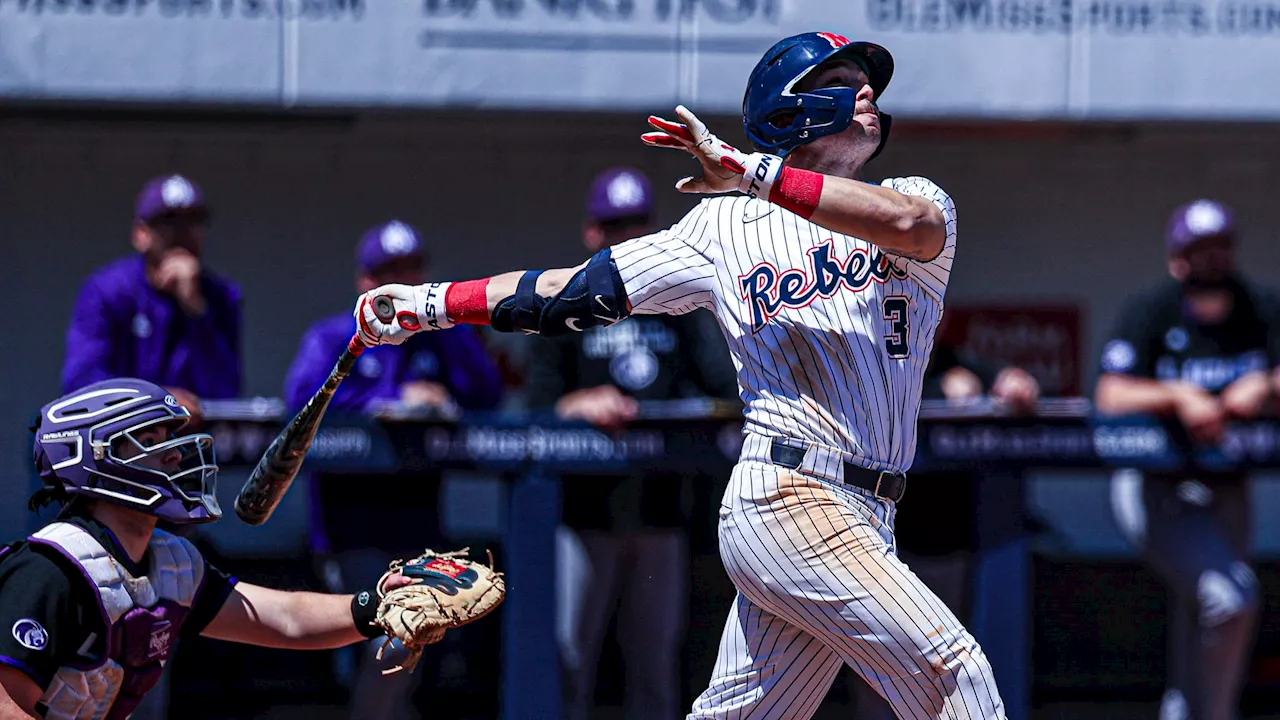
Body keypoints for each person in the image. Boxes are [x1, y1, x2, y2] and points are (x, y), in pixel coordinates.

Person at [353, 29, 1006, 719]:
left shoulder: (912, 196)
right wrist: (431, 304)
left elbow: (912, 223)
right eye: (841, 79)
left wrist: (751, 171)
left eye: (867, 81)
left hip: (870, 510)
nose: (867, 91)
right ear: (791, 107)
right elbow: (570, 291)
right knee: (955, 673)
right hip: (790, 494)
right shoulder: (722, 228)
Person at [0, 379, 435, 720]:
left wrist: (377, 607)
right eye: (150, 442)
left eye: (171, 437)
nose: (175, 455)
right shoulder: (49, 569)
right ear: (96, 457)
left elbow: (282, 619)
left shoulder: (169, 562)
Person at [525, 167, 739, 720]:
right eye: (613, 226)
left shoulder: (680, 302)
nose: (626, 238)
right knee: (570, 658)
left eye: (636, 226)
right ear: (591, 233)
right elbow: (534, 407)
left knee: (655, 664)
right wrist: (577, 405)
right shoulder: (563, 299)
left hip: (660, 511)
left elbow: (721, 388)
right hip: (584, 513)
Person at [283, 219, 504, 720]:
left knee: (407, 643)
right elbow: (298, 404)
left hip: (418, 527)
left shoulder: (439, 340)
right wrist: (387, 399)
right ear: (365, 282)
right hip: (348, 527)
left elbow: (487, 394)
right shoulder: (335, 336)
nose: (401, 282)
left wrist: (450, 330)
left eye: (411, 271)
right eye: (390, 273)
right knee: (387, 641)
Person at [1095, 198, 1280, 720]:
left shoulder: (1259, 307)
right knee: (1230, 597)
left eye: (1220, 246)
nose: (1211, 258)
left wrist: (1263, 383)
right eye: (1199, 249)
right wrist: (1176, 394)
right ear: (1178, 258)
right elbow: (1111, 395)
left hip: (1227, 486)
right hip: (1156, 486)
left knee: (1204, 614)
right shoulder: (1152, 308)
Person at [61, 174, 242, 426]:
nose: (182, 233)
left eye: (194, 221)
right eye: (168, 222)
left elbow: (225, 389)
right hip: (120, 441)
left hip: (194, 444)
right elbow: (81, 380)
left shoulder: (220, 296)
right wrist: (156, 401)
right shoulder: (108, 291)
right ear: (141, 233)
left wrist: (197, 311)